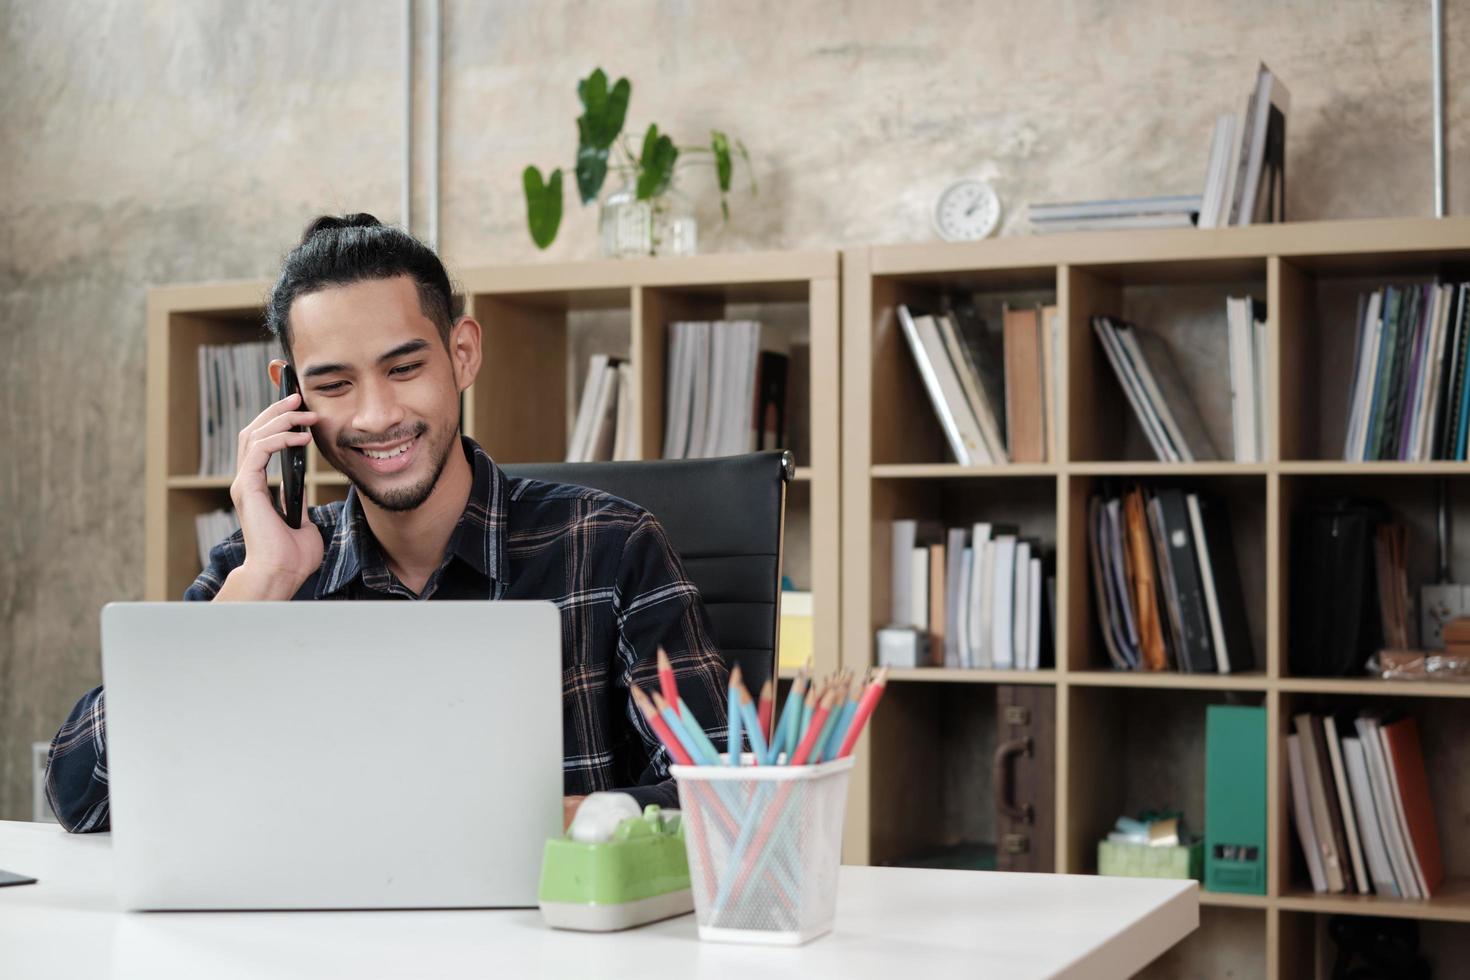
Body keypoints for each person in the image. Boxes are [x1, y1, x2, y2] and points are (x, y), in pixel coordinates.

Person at [45, 213, 729, 833]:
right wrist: (262, 585)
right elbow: (80, 797)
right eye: (336, 384)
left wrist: (573, 817)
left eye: (404, 367)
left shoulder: (610, 548)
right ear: (291, 391)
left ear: (462, 353)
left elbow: (730, 797)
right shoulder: (254, 574)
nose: (376, 416)